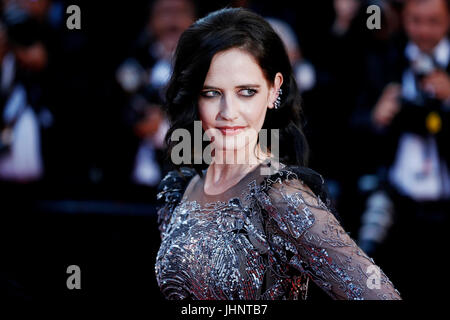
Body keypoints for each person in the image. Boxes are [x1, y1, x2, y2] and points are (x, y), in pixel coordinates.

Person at [154, 8, 401, 300]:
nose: (228, 113)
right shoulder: (179, 188)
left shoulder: (281, 195)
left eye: (246, 91)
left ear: (274, 90)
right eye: (211, 92)